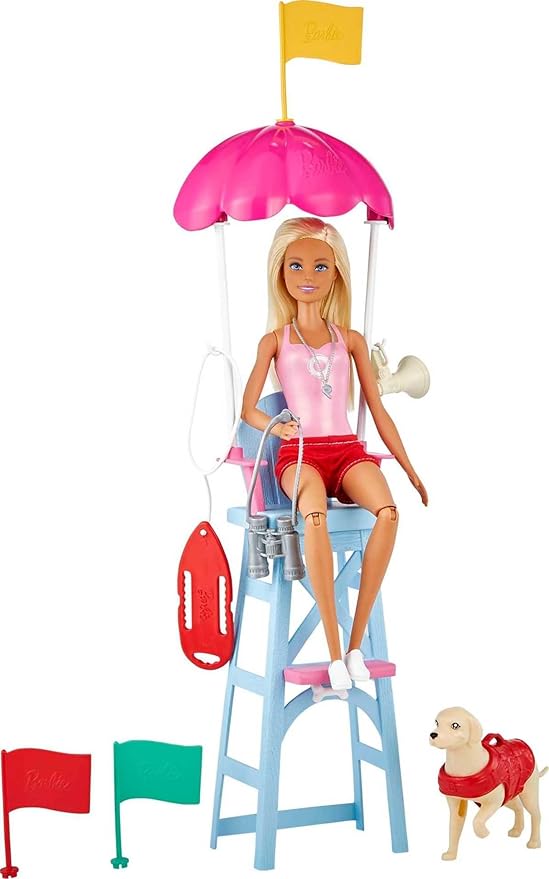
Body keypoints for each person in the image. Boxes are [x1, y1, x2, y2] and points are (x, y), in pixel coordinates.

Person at [241, 216, 427, 690]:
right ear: (280, 271)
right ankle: (333, 651)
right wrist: (276, 425)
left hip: (345, 451)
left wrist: (409, 468)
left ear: (337, 273)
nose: (308, 276)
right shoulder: (275, 341)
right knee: (315, 514)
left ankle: (355, 644)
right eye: (297, 265)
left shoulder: (351, 340)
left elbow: (377, 409)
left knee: (388, 513)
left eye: (321, 266)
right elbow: (248, 410)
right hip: (299, 454)